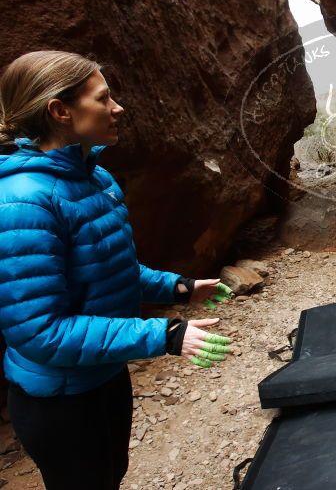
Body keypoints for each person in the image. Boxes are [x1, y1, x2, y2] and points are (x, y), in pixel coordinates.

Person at [0, 51, 233, 490]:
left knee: (111, 476)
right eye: (103, 98)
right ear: (60, 111)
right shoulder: (21, 202)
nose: (118, 107)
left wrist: (178, 288)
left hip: (104, 375)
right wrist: (161, 336)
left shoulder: (96, 177)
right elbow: (39, 332)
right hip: (60, 399)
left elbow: (112, 269)